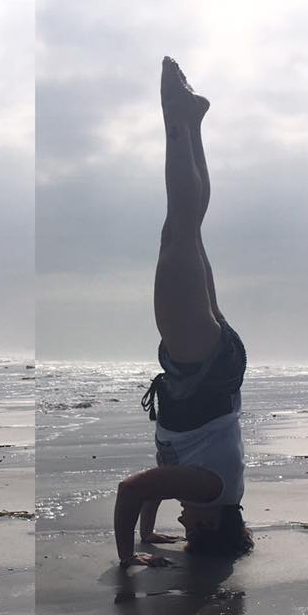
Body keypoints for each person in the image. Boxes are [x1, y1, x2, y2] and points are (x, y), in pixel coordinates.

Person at [114, 58, 253, 568]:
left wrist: (149, 535)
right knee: (178, 226)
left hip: (216, 369)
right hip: (199, 368)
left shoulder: (212, 493)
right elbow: (133, 490)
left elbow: (157, 484)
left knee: (187, 228)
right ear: (213, 522)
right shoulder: (205, 487)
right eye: (192, 531)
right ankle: (176, 116)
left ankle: (191, 121)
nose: (183, 524)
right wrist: (128, 561)